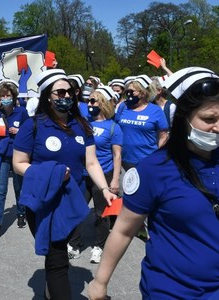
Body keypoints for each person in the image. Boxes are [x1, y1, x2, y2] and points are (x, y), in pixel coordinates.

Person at [88, 67, 219, 300]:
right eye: (209, 119)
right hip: (172, 290)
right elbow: (124, 230)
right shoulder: (154, 169)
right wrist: (100, 282)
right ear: (183, 118)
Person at [13, 69, 115, 300]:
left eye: (70, 91)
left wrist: (105, 189)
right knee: (57, 255)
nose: (66, 95)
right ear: (48, 96)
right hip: (43, 201)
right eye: (60, 91)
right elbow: (19, 163)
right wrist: (51, 173)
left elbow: (91, 162)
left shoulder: (82, 125)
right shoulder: (33, 126)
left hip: (73, 201)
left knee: (57, 255)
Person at [68, 85, 123, 264]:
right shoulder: (84, 123)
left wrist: (115, 180)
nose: (89, 103)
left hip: (104, 175)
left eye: (93, 100)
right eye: (88, 100)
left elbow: (117, 155)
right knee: (77, 209)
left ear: (103, 103)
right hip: (83, 174)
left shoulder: (113, 127)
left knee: (101, 214)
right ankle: (74, 245)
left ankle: (99, 246)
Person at [0, 81, 30, 238]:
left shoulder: (22, 112)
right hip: (3, 155)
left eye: (8, 95)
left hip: (19, 155)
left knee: (19, 188)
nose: (5, 98)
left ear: (13, 96)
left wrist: (19, 131)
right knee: (1, 190)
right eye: (2, 96)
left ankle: (21, 213)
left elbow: (30, 132)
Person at [115, 75, 169, 170]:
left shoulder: (155, 110)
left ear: (143, 93)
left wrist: (159, 157)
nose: (128, 94)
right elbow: (116, 129)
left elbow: (163, 136)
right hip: (123, 161)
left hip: (147, 160)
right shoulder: (123, 106)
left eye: (132, 91)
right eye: (127, 91)